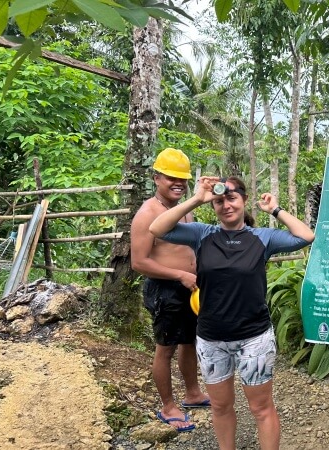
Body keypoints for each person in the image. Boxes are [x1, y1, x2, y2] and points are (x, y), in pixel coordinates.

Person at [149, 175, 314, 450]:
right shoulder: (202, 234)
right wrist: (197, 199)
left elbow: (306, 236)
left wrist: (275, 209)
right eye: (219, 201)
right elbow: (157, 228)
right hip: (212, 339)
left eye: (232, 198)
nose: (226, 205)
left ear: (244, 200)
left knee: (261, 408)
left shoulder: (262, 238)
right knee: (220, 406)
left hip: (254, 338)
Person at [130, 148, 211, 432]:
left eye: (182, 178)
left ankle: (193, 393)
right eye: (171, 177)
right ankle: (168, 406)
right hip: (165, 289)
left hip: (189, 288)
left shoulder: (184, 210)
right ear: (156, 178)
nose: (178, 183)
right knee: (165, 348)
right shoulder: (147, 213)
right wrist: (179, 274)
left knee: (189, 342)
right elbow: (139, 262)